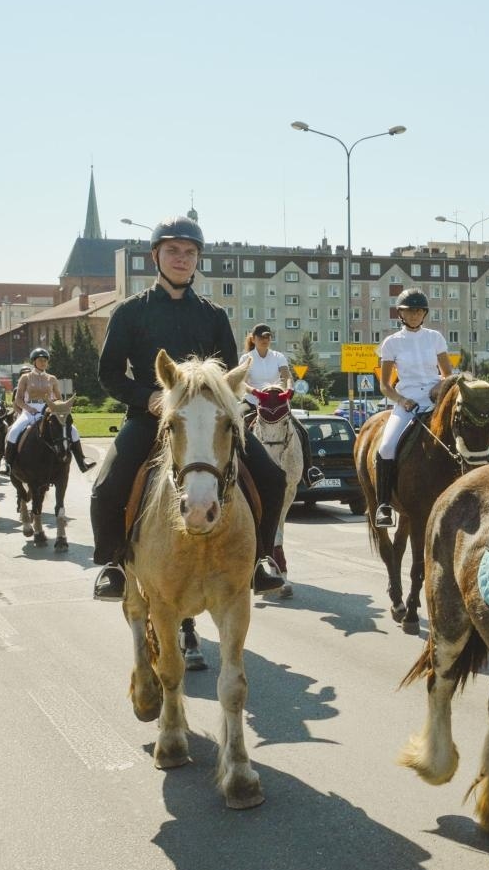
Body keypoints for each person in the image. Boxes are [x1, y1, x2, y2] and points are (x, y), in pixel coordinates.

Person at [88, 216, 289, 599]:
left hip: (209, 421)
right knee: (107, 485)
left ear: (198, 259)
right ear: (155, 256)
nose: (181, 258)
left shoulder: (213, 315)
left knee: (272, 477)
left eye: (189, 252)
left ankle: (261, 558)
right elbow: (108, 373)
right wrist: (147, 397)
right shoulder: (130, 311)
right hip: (152, 417)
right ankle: (112, 564)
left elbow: (228, 375)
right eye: (173, 250)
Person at [371, 288, 454, 529]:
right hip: (407, 403)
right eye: (410, 311)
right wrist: (402, 400)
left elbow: (448, 375)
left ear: (424, 313)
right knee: (386, 447)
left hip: (434, 398)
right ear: (401, 314)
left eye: (419, 311)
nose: (415, 315)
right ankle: (383, 505)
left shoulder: (435, 338)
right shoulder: (391, 343)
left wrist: (439, 386)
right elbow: (385, 386)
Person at [240, 323, 319, 486]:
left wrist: (289, 389)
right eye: (261, 337)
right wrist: (254, 392)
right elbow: (242, 382)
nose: (265, 340)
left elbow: (287, 376)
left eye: (268, 337)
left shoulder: (278, 356)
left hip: (275, 403)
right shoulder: (246, 358)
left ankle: (309, 471)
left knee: (302, 431)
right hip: (253, 401)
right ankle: (235, 470)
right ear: (253, 339)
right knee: (236, 427)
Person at [4, 348, 94, 474]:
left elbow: (59, 399)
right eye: (40, 360)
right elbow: (18, 399)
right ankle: (8, 464)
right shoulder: (25, 377)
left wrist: (59, 408)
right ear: (34, 362)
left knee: (73, 430)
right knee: (13, 431)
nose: (43, 363)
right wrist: (29, 408)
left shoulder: (52, 378)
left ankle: (82, 462)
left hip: (49, 410)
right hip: (30, 410)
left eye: (45, 360)